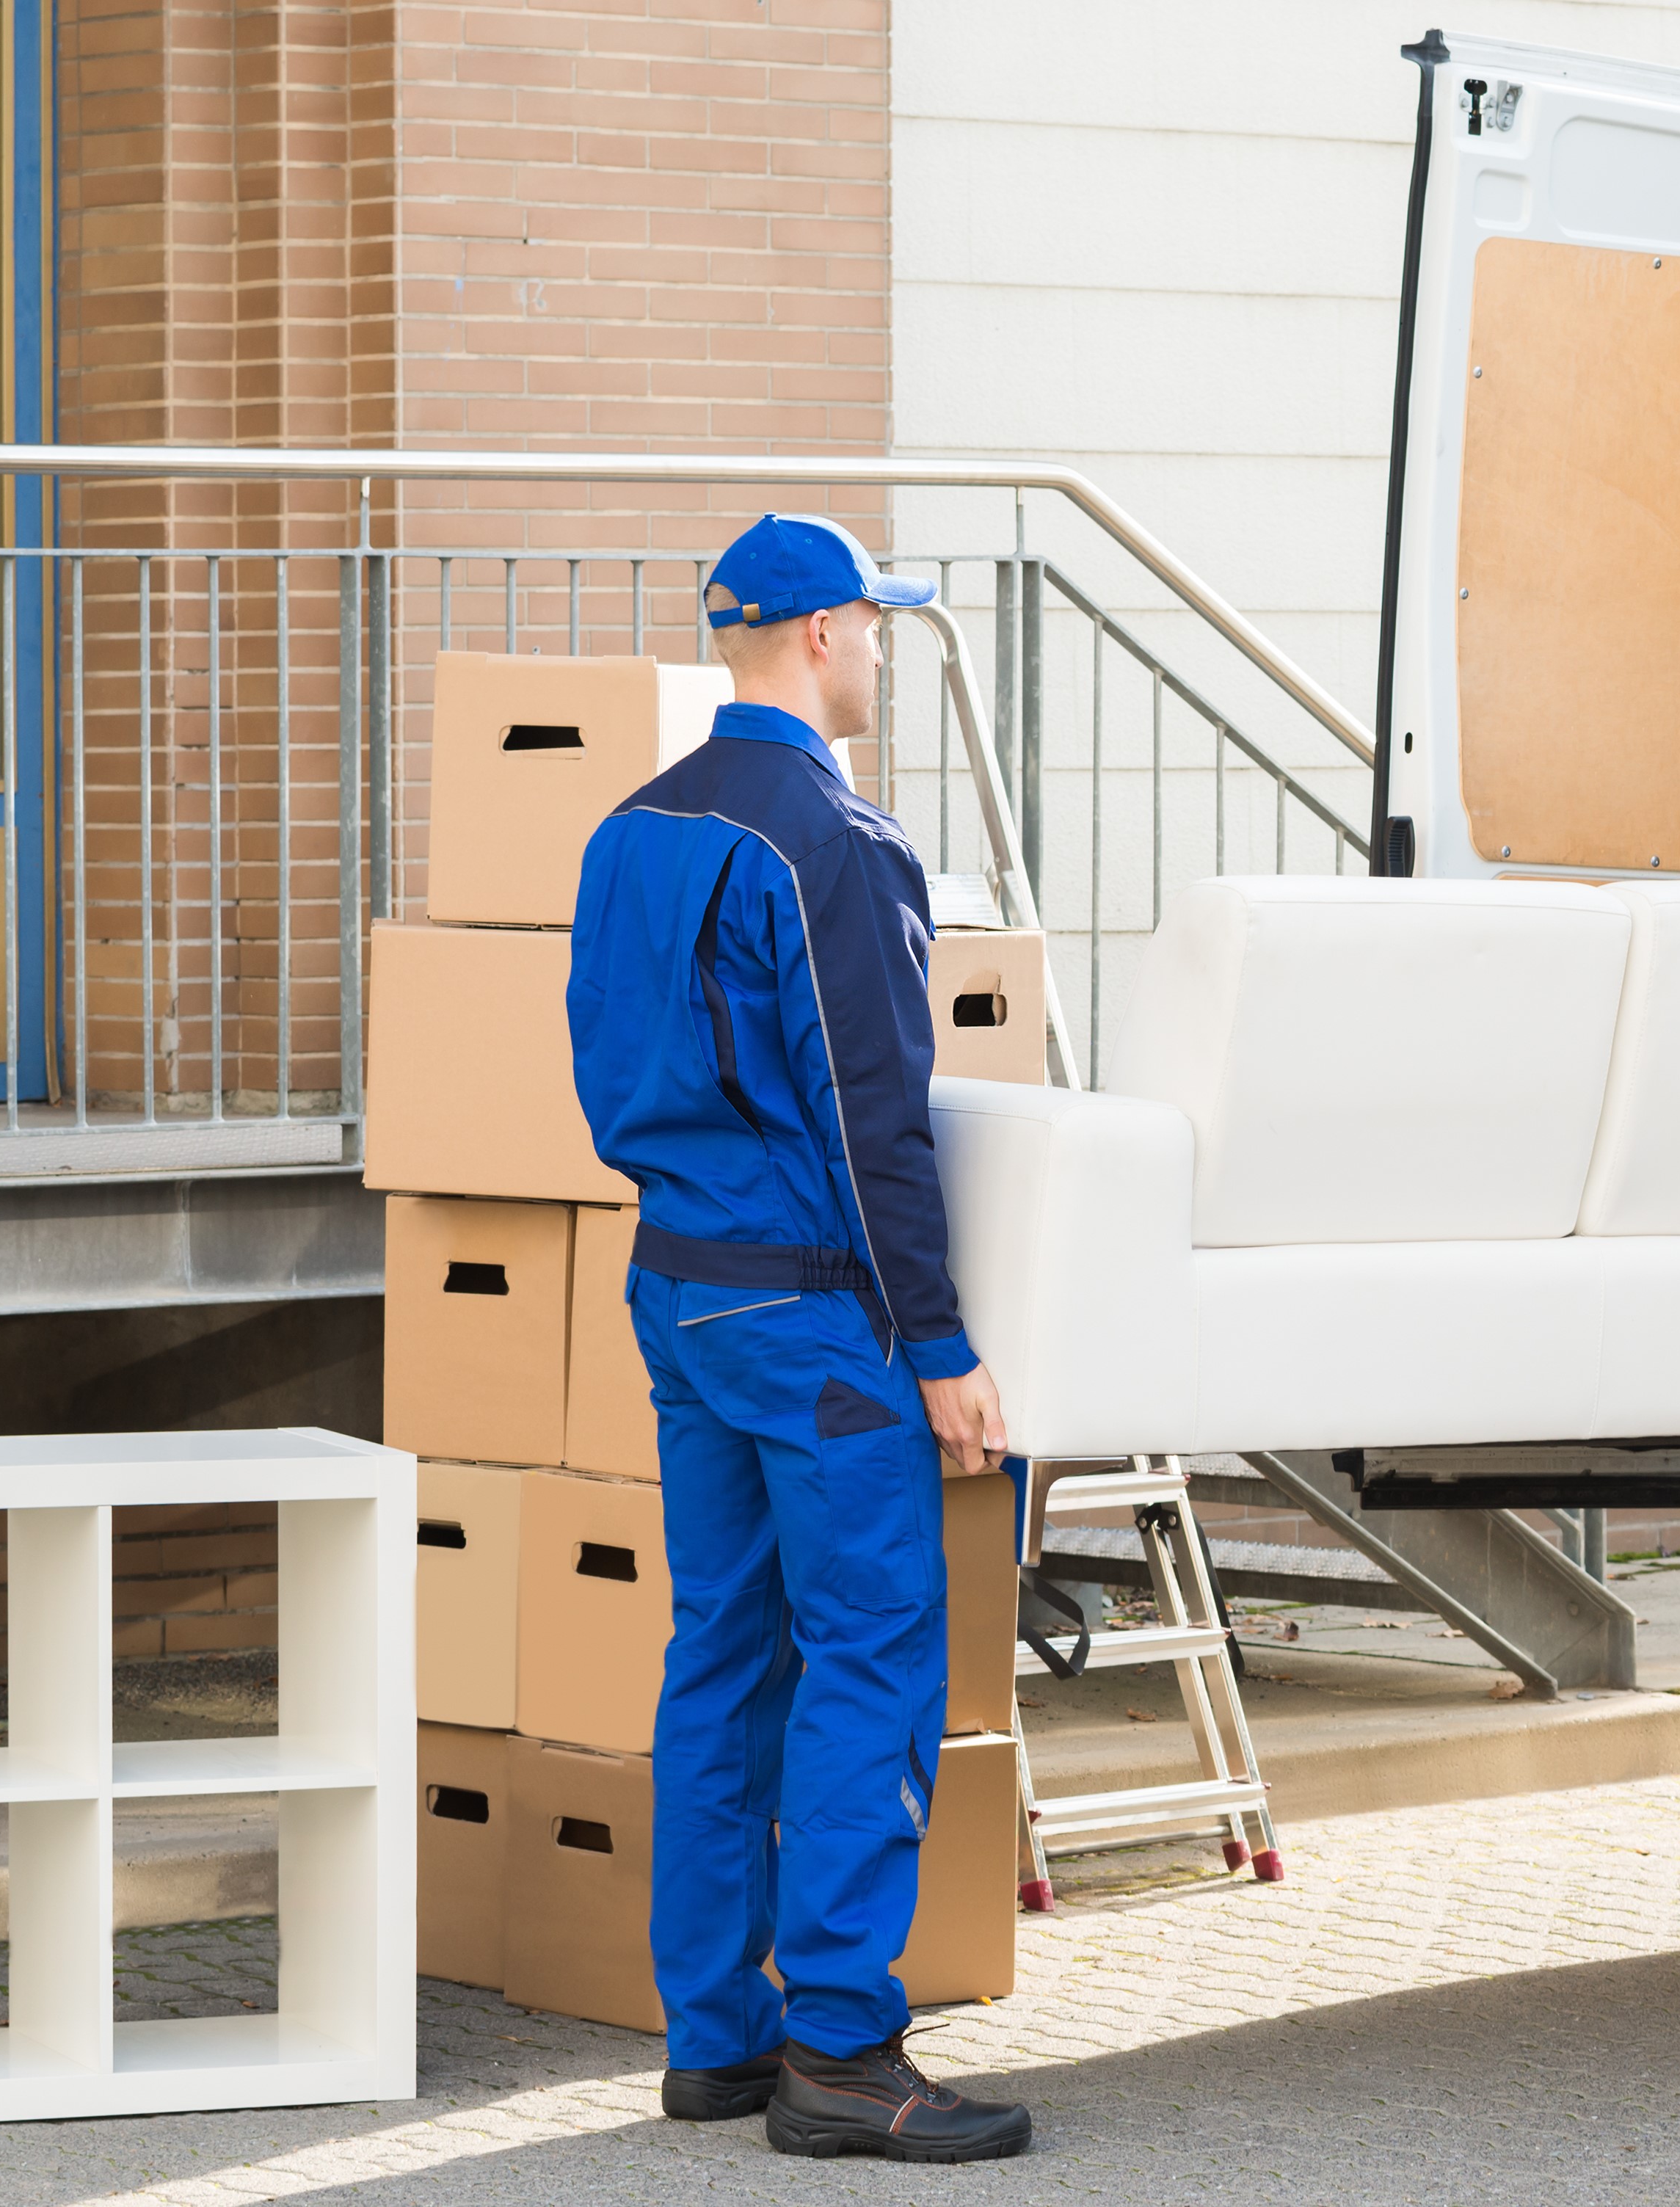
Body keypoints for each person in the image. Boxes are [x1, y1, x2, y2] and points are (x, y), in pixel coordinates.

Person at [565, 512, 1033, 2163]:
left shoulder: (628, 829)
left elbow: (606, 1070)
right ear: (826, 632)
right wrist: (942, 1344)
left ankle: (717, 2034)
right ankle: (842, 2044)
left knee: (722, 1648)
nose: (887, 650)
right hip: (815, 1314)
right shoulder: (829, 838)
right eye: (881, 623)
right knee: (873, 1650)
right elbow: (873, 1120)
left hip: (679, 1284)